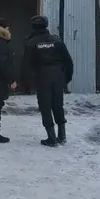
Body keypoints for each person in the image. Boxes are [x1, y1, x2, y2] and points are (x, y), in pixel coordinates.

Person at [21, 15, 74, 147]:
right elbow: (68, 61)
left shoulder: (31, 43)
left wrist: (27, 84)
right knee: (58, 105)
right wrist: (66, 78)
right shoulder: (56, 40)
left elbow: (26, 65)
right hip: (58, 75)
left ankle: (51, 138)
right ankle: (62, 135)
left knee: (45, 106)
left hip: (42, 76)